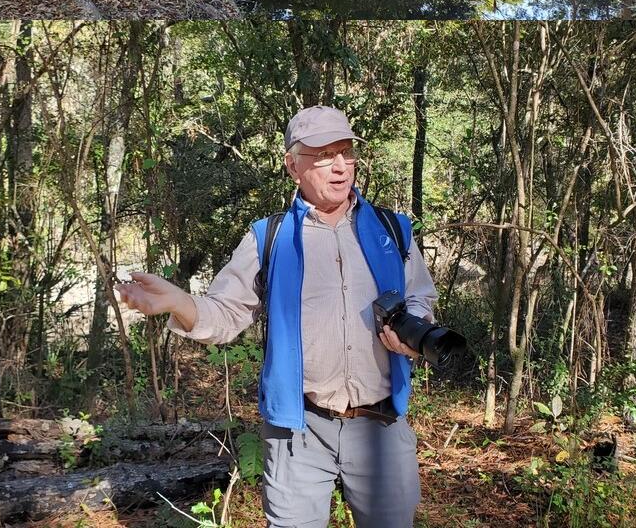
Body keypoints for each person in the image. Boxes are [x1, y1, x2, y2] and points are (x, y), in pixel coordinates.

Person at [117, 105, 437, 528]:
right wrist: (179, 301)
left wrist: (411, 332)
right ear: (293, 165)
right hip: (298, 432)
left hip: (382, 426)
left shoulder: (392, 230)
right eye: (324, 154)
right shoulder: (269, 237)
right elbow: (226, 312)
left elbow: (420, 298)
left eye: (346, 151)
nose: (340, 165)